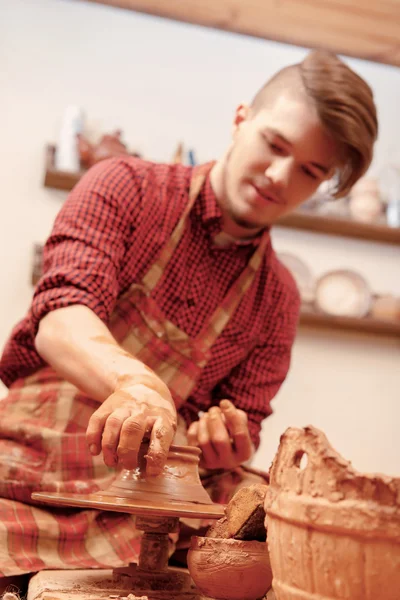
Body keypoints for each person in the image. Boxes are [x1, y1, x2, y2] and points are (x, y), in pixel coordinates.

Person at [0, 49, 377, 583]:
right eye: (274, 144)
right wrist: (136, 384)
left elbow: (238, 427)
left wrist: (229, 443)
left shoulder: (278, 296)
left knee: (286, 525)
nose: (278, 176)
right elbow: (60, 317)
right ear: (241, 118)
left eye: (310, 171)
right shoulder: (125, 186)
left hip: (149, 501)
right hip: (40, 462)